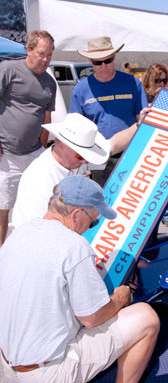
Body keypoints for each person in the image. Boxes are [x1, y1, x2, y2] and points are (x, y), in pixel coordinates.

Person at [0, 175, 160, 383]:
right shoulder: (75, 246)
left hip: (7, 364)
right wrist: (121, 298)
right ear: (76, 214)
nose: (90, 227)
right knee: (146, 318)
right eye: (93, 221)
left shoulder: (21, 232)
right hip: (45, 374)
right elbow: (91, 318)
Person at [11, 111, 147, 229]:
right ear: (62, 145)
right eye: (81, 155)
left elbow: (112, 146)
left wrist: (140, 124)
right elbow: (38, 230)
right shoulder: (39, 180)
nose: (85, 161)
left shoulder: (74, 159)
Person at [0, 30, 56, 246]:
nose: (45, 59)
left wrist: (42, 152)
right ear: (28, 50)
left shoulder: (49, 82)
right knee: (3, 207)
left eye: (49, 55)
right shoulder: (8, 70)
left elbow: (47, 116)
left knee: (38, 203)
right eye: (41, 53)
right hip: (8, 156)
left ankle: (32, 248)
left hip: (34, 153)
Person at [69, 36, 148, 186]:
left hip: (129, 154)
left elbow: (143, 120)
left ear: (114, 57)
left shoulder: (132, 83)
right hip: (97, 158)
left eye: (108, 60)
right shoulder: (81, 89)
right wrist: (81, 165)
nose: (104, 66)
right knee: (102, 204)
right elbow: (75, 130)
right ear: (90, 61)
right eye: (98, 62)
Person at [142, 63, 168, 228]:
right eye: (157, 80)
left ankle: (166, 213)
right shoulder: (144, 95)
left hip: (166, 144)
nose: (161, 84)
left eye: (164, 80)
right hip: (147, 146)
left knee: (165, 181)